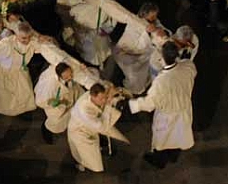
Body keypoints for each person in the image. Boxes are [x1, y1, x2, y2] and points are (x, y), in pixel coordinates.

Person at [129, 41, 197, 169]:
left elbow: (149, 104)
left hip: (167, 116)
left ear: (161, 58)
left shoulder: (161, 82)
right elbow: (186, 62)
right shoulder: (188, 67)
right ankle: (173, 156)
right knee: (179, 136)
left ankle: (159, 161)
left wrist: (132, 103)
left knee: (162, 140)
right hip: (184, 111)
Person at [67, 83, 128, 173]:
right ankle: (81, 164)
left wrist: (113, 91)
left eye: (105, 97)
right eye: (101, 99)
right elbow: (102, 127)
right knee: (90, 158)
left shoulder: (94, 94)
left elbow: (109, 86)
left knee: (94, 149)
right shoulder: (84, 110)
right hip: (81, 132)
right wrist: (108, 106)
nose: (104, 100)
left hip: (91, 127)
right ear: (92, 96)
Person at [34, 62, 84, 144]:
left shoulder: (67, 74)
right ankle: (47, 131)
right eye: (67, 77)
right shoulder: (50, 86)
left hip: (70, 99)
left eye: (70, 74)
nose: (70, 77)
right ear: (59, 76)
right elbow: (40, 101)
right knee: (55, 124)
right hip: (58, 108)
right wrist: (53, 102)